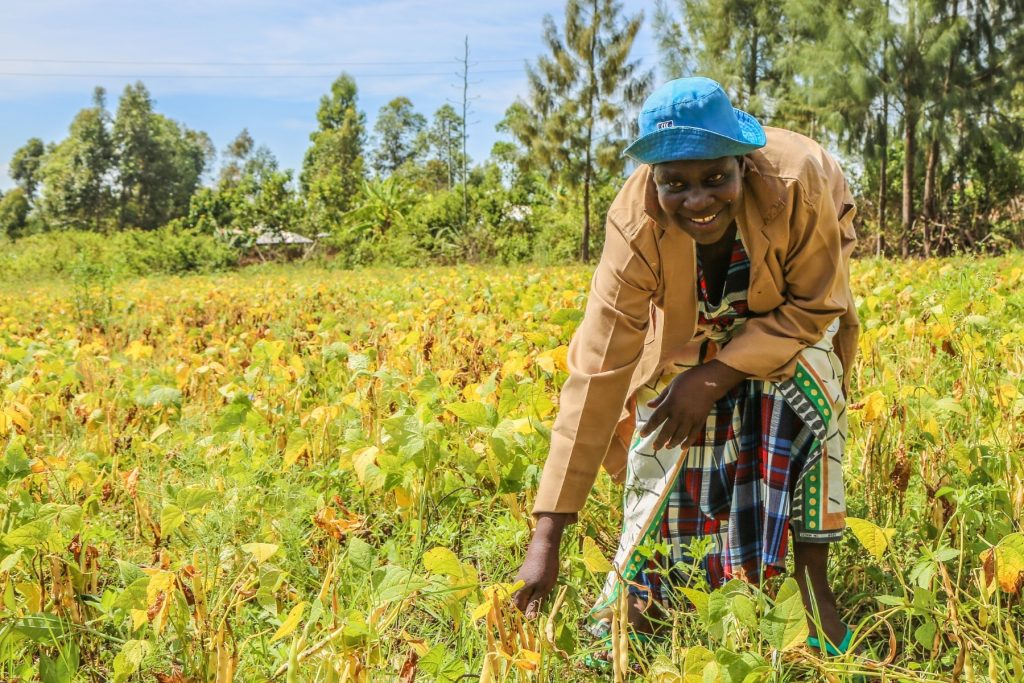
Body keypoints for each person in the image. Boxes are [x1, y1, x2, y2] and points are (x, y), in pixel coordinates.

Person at [511, 77, 860, 661]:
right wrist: (547, 535)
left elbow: (814, 305)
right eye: (675, 184)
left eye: (714, 178)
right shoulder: (635, 225)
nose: (697, 201)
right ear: (653, 180)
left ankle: (809, 588)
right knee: (668, 426)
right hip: (689, 330)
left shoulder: (798, 181)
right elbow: (597, 369)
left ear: (743, 165)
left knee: (802, 386)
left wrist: (717, 374)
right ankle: (655, 595)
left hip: (795, 320)